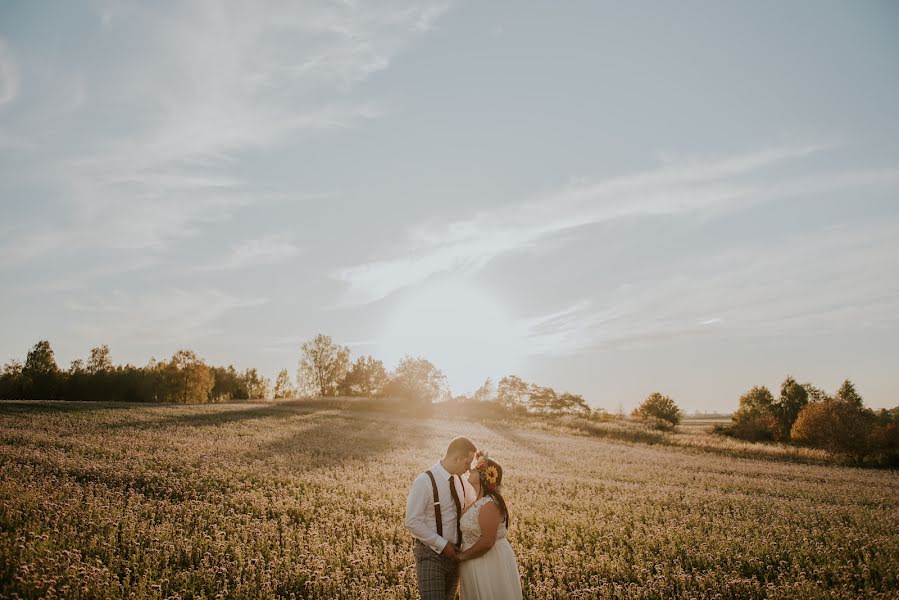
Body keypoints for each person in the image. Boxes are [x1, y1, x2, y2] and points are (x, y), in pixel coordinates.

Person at [405, 437, 478, 600]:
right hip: (431, 555)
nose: (469, 469)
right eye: (467, 463)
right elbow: (411, 521)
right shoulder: (424, 481)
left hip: (455, 557)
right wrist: (443, 545)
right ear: (456, 458)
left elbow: (474, 505)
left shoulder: (461, 481)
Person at [457, 451, 523, 599]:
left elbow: (487, 541)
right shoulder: (477, 501)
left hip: (487, 562)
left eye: (474, 469)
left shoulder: (489, 504)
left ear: (484, 477)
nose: (469, 470)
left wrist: (461, 557)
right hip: (474, 562)